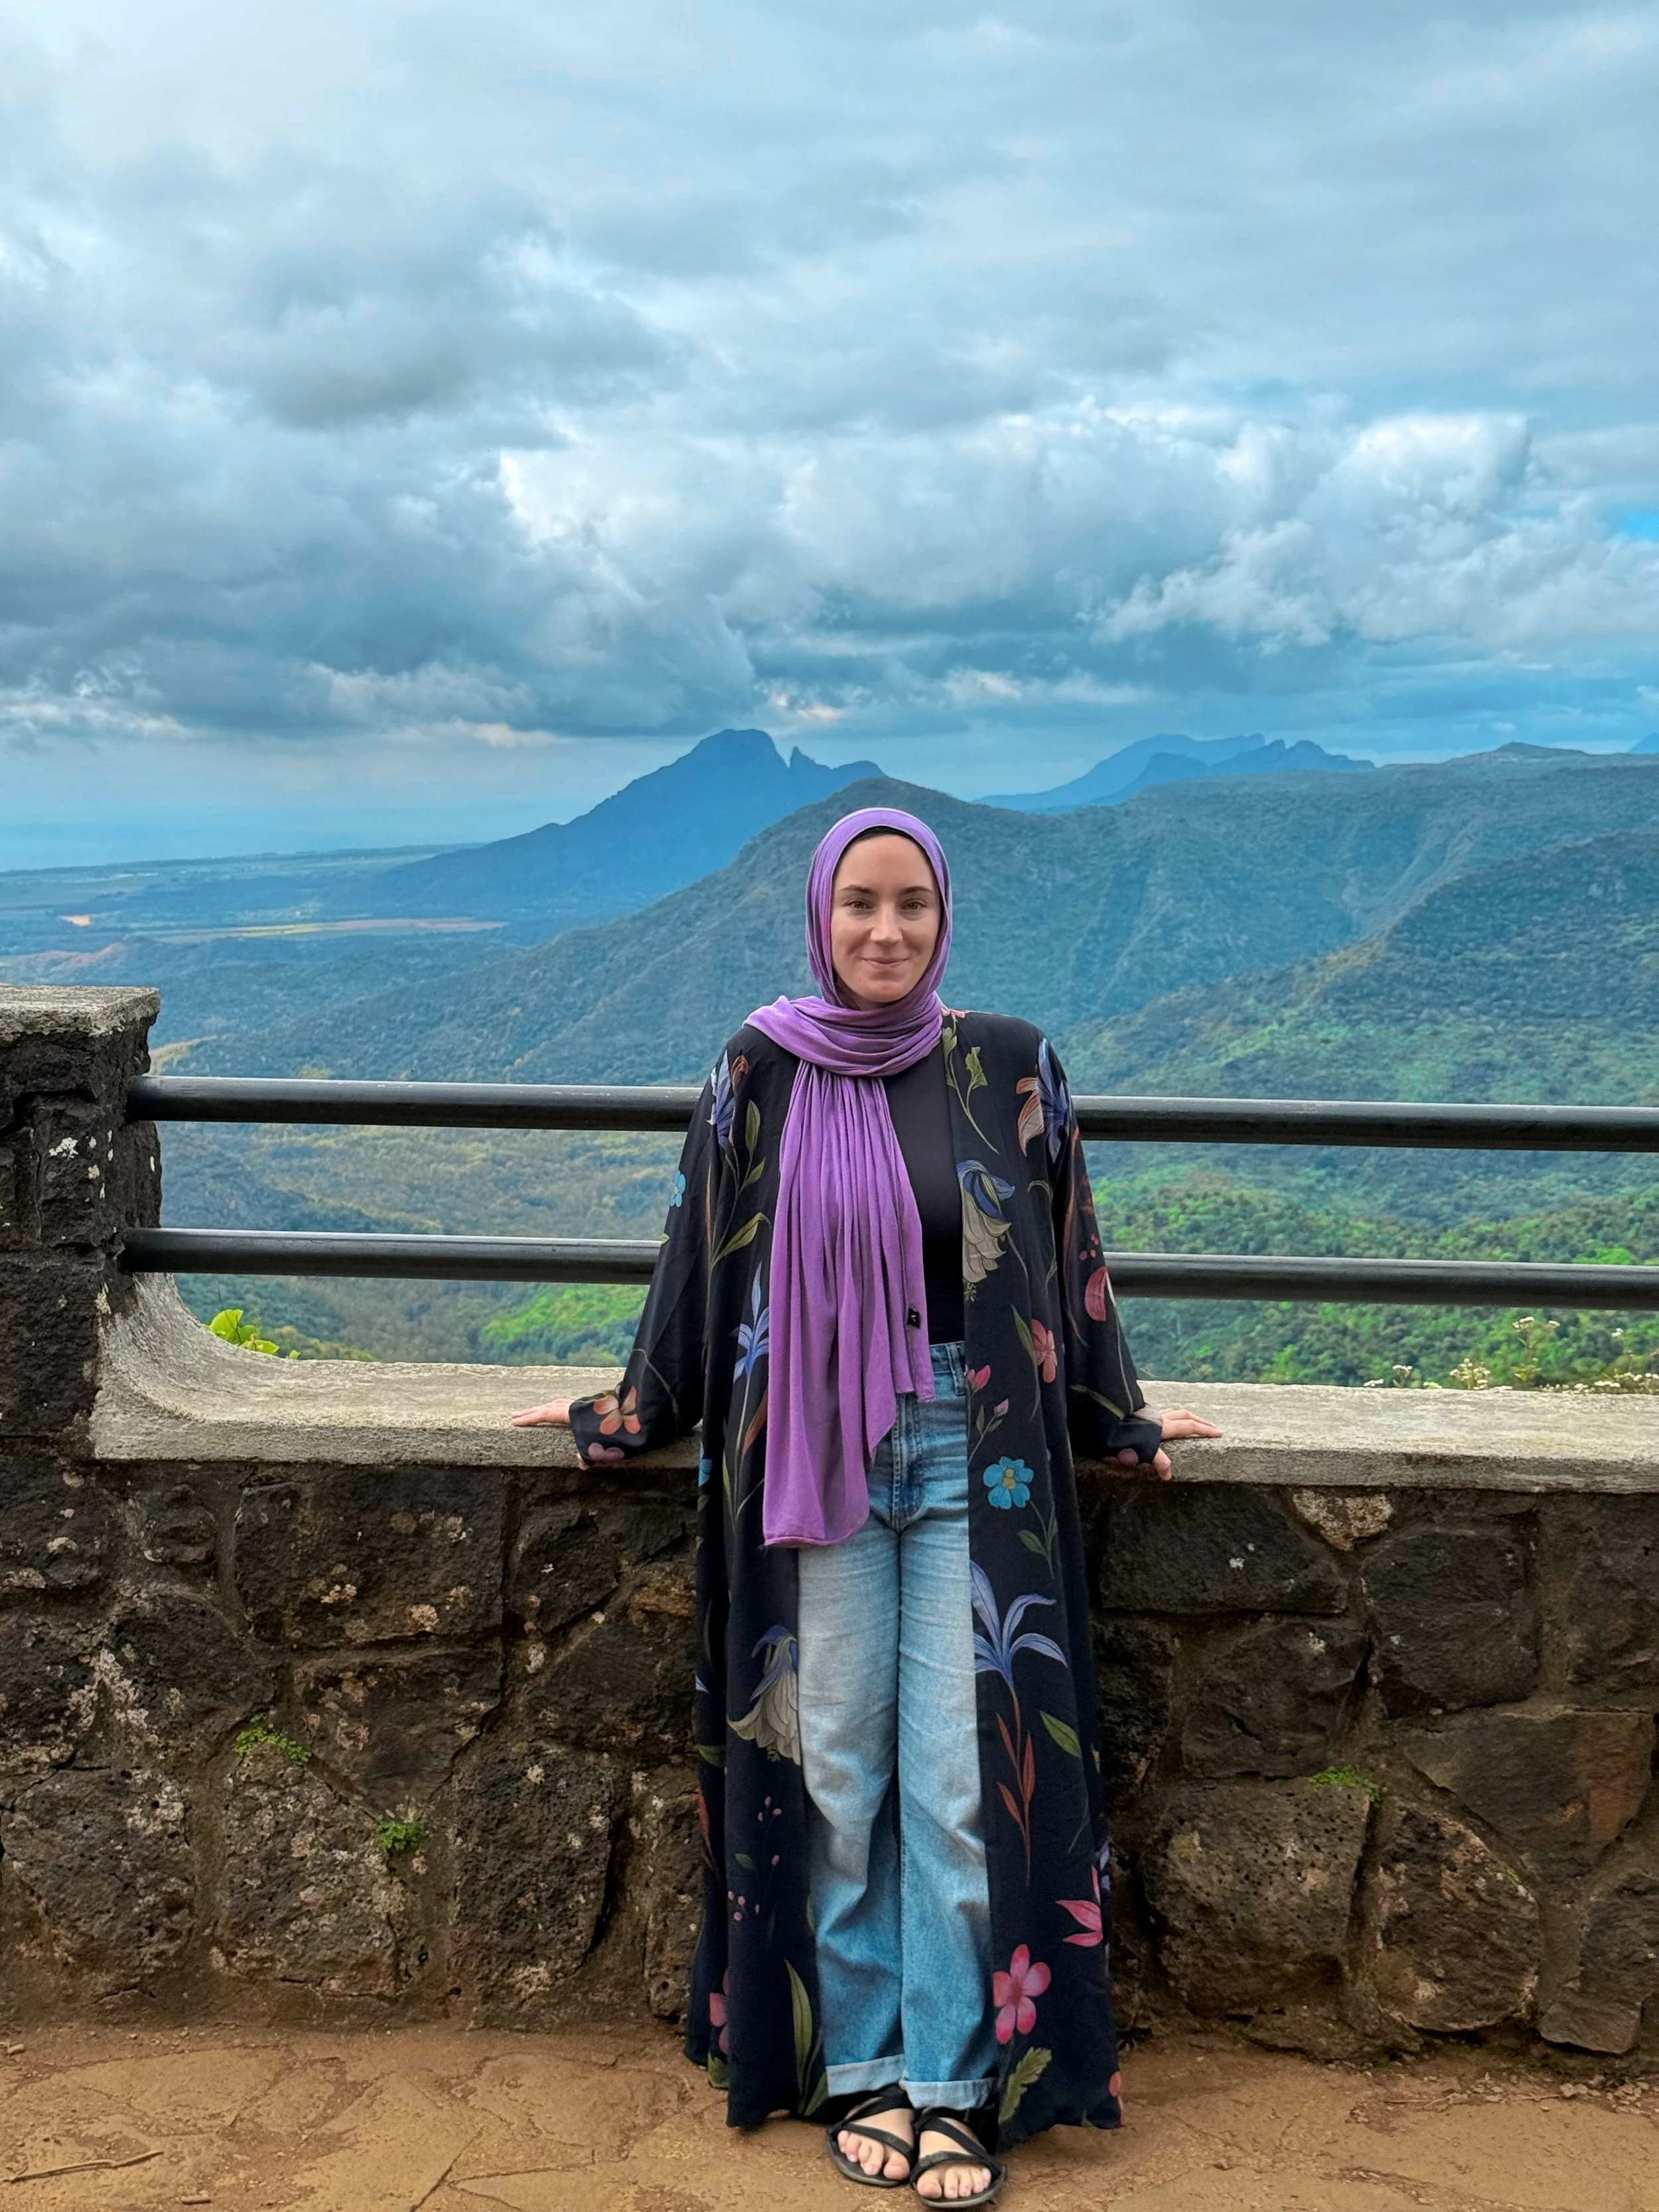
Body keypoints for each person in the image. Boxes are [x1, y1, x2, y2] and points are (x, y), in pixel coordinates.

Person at [513, 806, 1220, 2203]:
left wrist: (1113, 1415)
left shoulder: (1007, 1063)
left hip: (977, 1456)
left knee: (959, 1789)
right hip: (812, 1464)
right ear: (817, 919)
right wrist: (634, 1406)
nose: (884, 931)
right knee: (834, 1774)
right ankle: (864, 2067)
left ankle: (948, 2084)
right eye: (858, 907)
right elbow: (698, 1253)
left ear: (943, 915)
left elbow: (1068, 1250)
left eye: (908, 905)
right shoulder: (758, 1066)